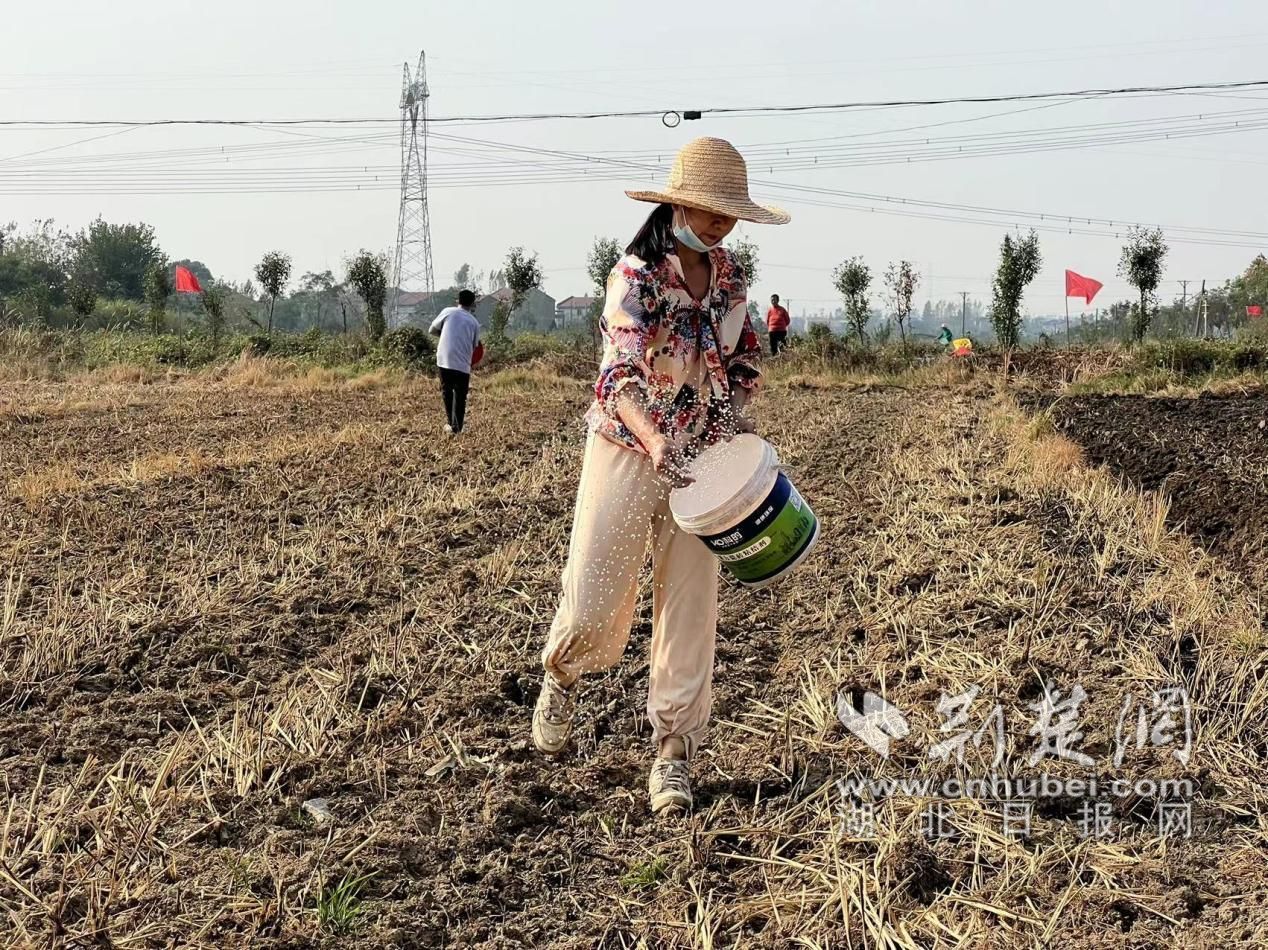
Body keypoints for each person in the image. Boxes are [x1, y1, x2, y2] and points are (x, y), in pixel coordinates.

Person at [532, 137, 790, 816]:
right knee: (594, 589)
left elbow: (741, 364)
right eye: (708, 209)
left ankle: (673, 752)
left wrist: (733, 425)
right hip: (626, 445)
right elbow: (617, 377)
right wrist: (653, 440)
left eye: (728, 212)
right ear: (676, 202)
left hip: (701, 459)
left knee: (690, 603)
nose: (718, 222)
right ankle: (562, 673)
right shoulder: (637, 276)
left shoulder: (730, 279)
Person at [429, 289, 482, 435]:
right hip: (463, 363)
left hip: (444, 358)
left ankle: (451, 425)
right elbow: (476, 347)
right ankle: (457, 427)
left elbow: (431, 330)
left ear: (457, 301)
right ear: (473, 304)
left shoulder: (448, 312)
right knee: (460, 395)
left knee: (447, 391)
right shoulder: (474, 323)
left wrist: (444, 334)